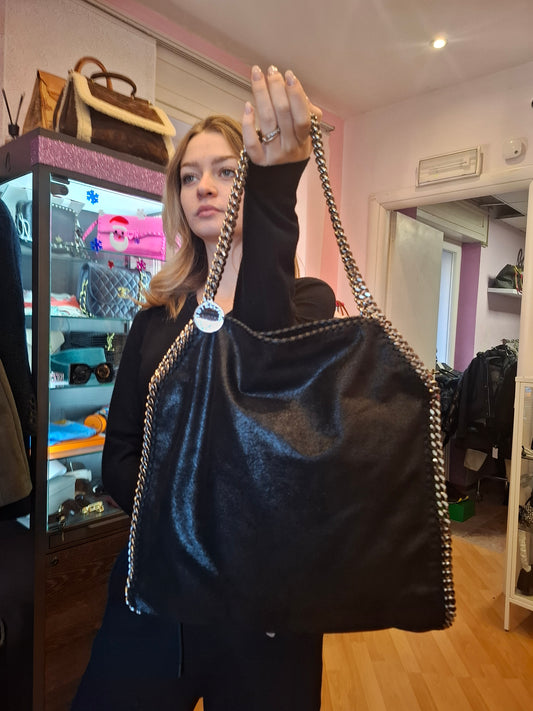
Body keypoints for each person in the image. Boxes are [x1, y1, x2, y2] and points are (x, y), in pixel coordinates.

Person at [71, 64, 336, 711]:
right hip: (158, 584)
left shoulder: (305, 303)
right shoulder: (153, 318)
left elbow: (265, 383)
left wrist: (275, 189)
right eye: (188, 177)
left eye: (224, 171)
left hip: (266, 604)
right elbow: (119, 455)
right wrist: (190, 524)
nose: (204, 188)